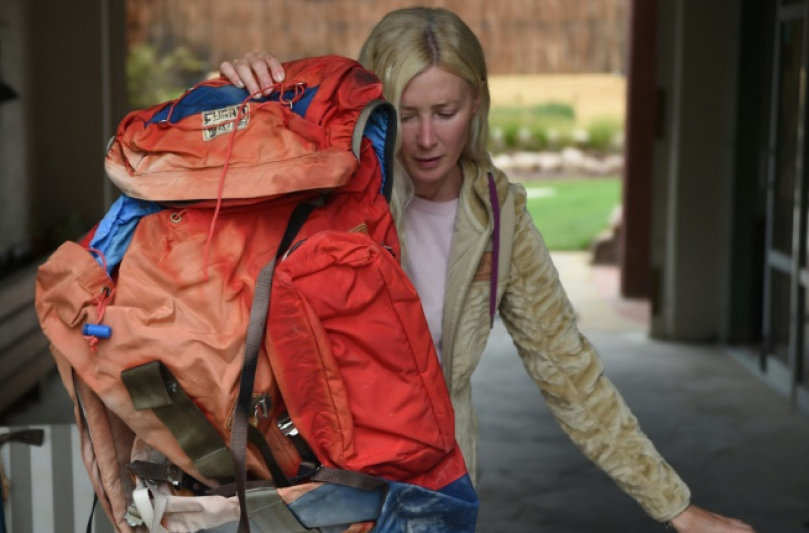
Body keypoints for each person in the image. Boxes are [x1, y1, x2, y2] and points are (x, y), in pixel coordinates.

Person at [220, 7, 755, 533]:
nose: (427, 138)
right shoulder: (317, 190)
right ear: (372, 107)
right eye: (405, 115)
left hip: (434, 496)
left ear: (476, 101)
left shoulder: (499, 218)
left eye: (445, 111)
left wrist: (674, 506)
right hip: (312, 489)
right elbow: (210, 293)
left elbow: (570, 373)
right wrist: (232, 105)